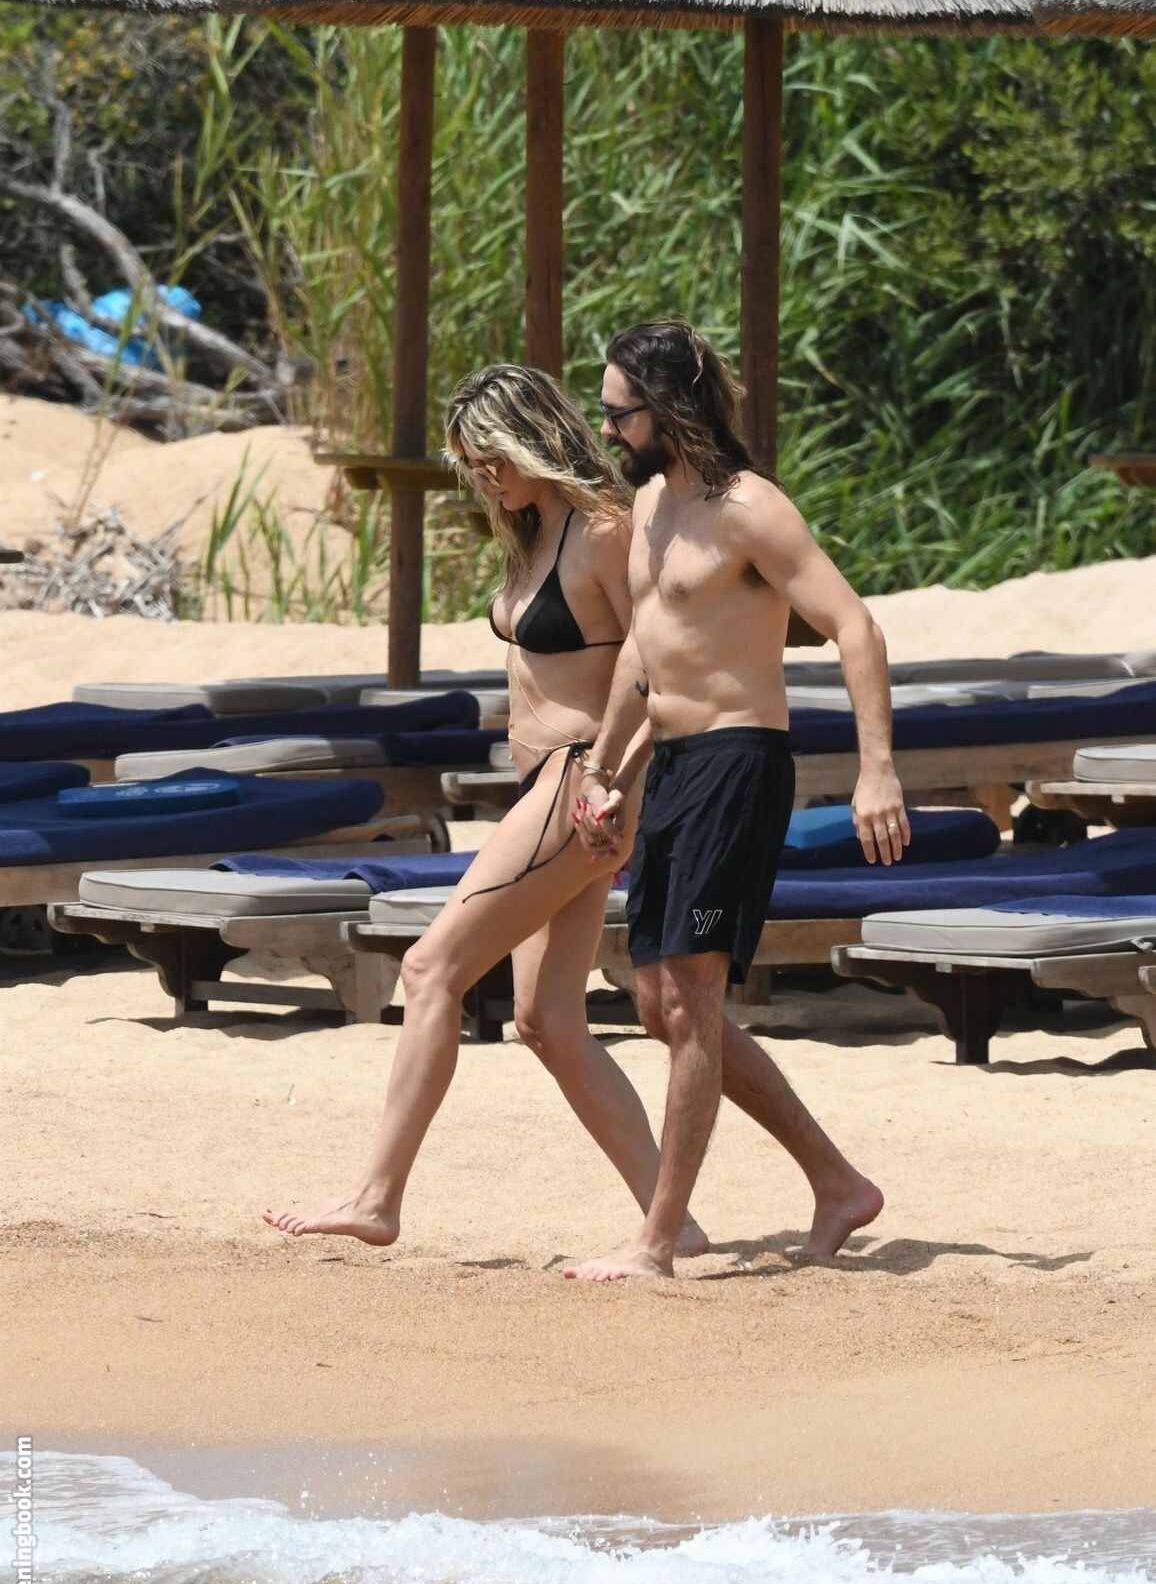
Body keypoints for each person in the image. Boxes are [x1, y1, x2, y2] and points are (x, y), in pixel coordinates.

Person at [263, 363, 706, 1254]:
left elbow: (660, 669)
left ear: (536, 439)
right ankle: (675, 1222)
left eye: (495, 458)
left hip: (581, 783)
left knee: (430, 968)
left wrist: (616, 782)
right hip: (550, 786)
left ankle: (377, 1198)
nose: (487, 478)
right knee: (548, 1022)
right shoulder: (535, 533)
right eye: (473, 464)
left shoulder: (604, 530)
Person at [565, 318, 907, 1283]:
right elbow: (644, 656)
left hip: (739, 763)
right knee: (658, 1006)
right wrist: (605, 769)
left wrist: (878, 768)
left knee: (693, 1000)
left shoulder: (750, 509)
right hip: (671, 765)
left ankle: (657, 1240)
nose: (608, 429)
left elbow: (854, 626)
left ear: (671, 407)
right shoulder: (648, 506)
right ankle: (838, 1182)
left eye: (620, 413)